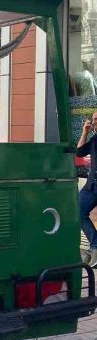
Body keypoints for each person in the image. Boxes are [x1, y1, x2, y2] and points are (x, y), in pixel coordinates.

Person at [76, 111, 97, 267]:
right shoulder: (95, 138)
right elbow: (80, 151)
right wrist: (85, 132)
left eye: (96, 119)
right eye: (93, 119)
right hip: (92, 185)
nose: (93, 122)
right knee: (78, 210)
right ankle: (95, 246)